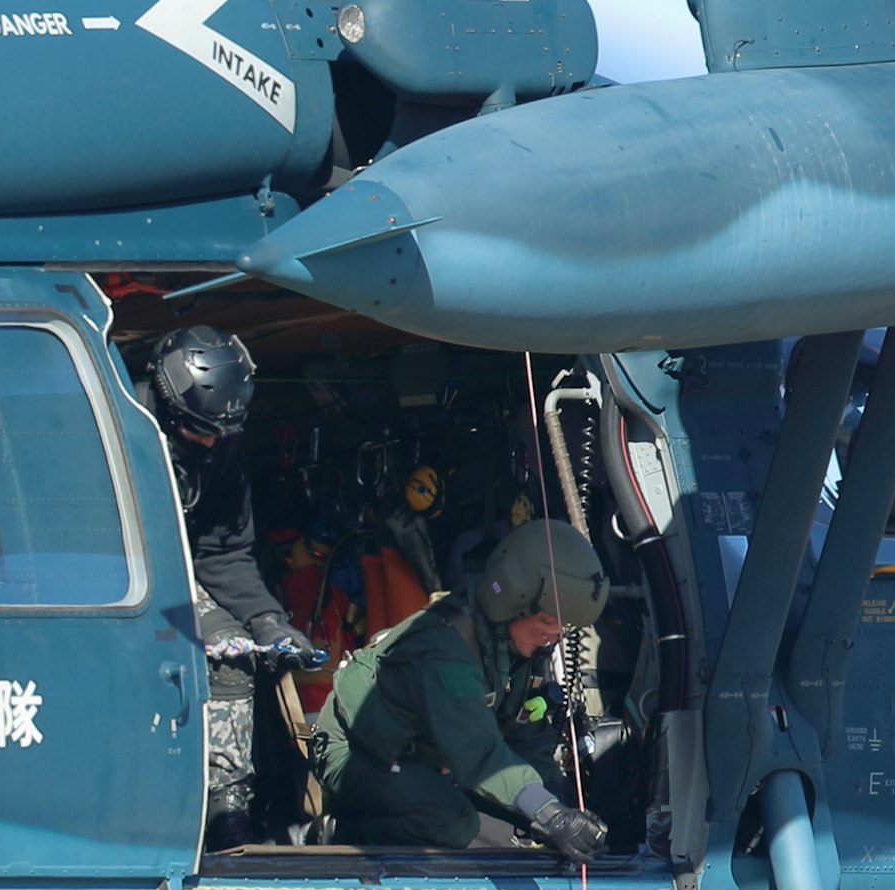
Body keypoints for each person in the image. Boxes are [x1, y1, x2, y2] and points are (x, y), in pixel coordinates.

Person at [310, 517, 616, 857]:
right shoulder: (447, 649)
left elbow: (527, 735)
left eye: (561, 627)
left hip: (429, 754)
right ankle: (342, 830)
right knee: (451, 822)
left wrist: (558, 805)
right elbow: (476, 750)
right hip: (361, 752)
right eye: (546, 621)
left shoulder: (518, 649)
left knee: (519, 825)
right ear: (513, 601)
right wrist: (550, 817)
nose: (553, 635)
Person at [130, 326, 323, 842]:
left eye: (221, 433)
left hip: (176, 578)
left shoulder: (220, 454)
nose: (212, 442)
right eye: (200, 432)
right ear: (170, 411)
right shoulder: (122, 432)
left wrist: (269, 623)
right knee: (214, 650)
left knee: (239, 655)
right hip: (112, 576)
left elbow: (225, 553)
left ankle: (226, 801)